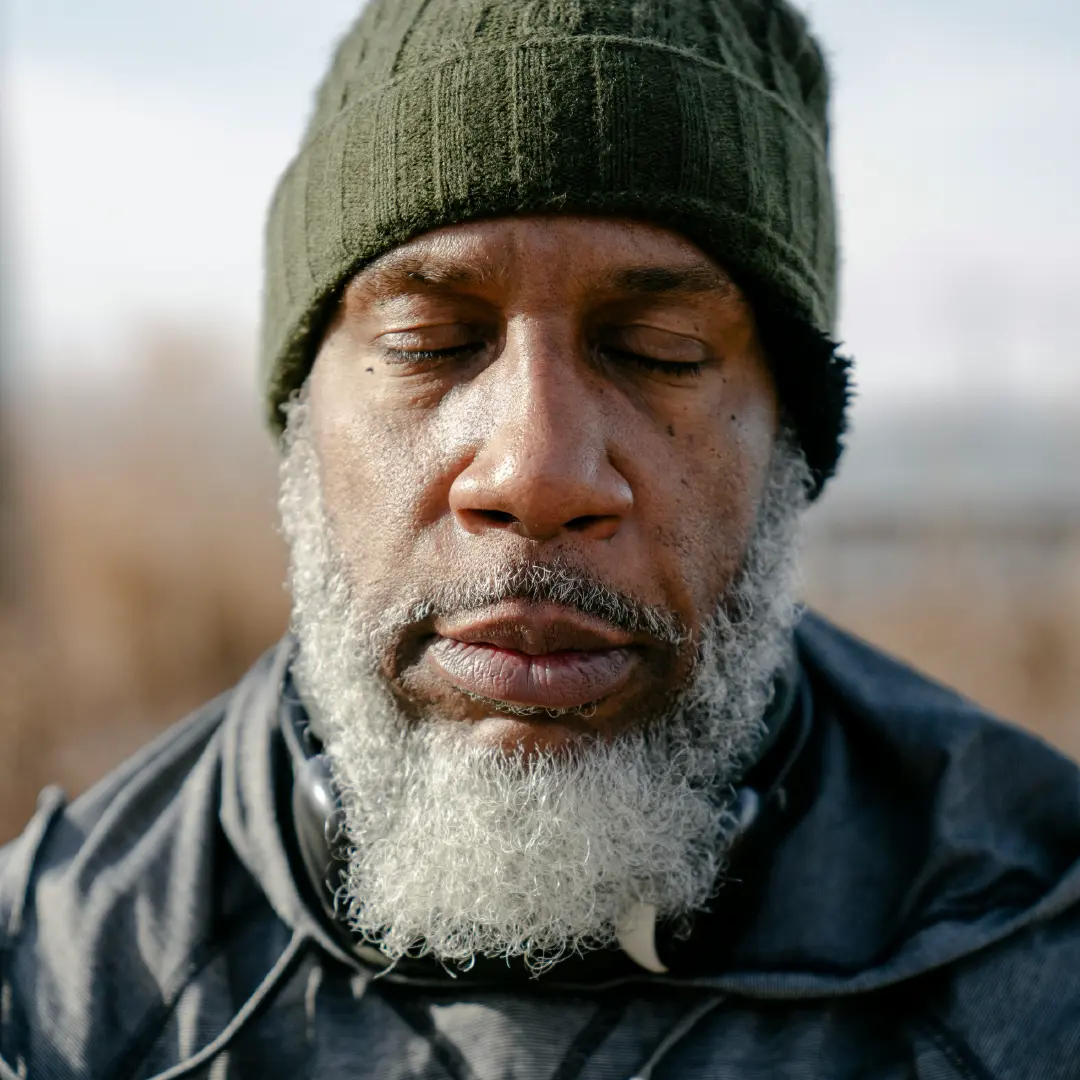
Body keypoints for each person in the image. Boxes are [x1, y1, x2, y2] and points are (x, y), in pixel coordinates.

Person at [2, 1, 1078, 1077]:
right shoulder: (55, 989)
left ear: (789, 445)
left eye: (659, 351)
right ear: (301, 424)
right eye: (430, 343)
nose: (537, 471)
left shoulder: (1034, 943)